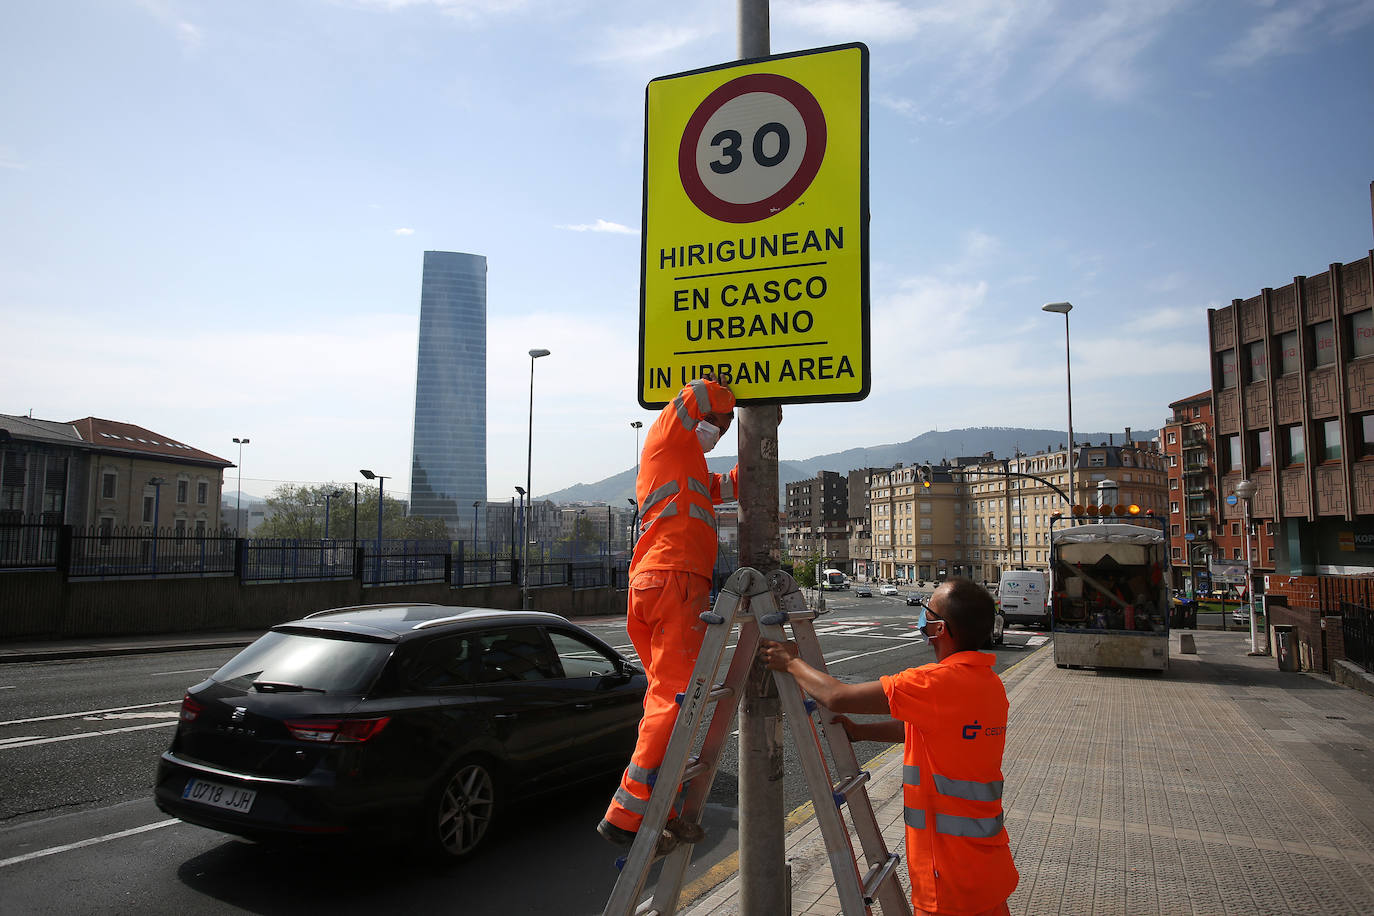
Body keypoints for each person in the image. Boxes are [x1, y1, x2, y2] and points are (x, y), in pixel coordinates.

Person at [759, 578, 1019, 916]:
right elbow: (922, 729)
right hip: (987, 869)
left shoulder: (932, 683)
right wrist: (862, 733)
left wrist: (790, 662)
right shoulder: (988, 684)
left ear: (939, 628)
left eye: (928, 610)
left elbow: (837, 696)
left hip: (949, 879)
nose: (921, 617)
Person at [598, 375, 740, 855]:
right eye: (718, 424)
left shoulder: (685, 463)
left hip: (655, 582)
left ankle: (667, 808)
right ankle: (625, 815)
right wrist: (733, 394)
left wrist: (762, 448)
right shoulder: (666, 433)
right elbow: (700, 394)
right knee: (676, 698)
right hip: (675, 579)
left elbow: (721, 487)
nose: (719, 429)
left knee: (666, 702)